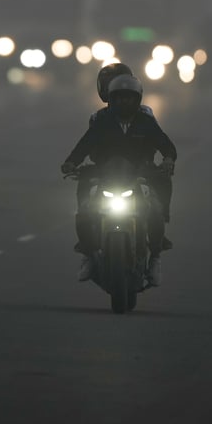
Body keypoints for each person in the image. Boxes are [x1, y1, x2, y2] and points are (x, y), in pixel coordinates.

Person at [61, 74, 177, 286]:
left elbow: (167, 146)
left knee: (154, 211)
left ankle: (155, 259)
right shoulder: (102, 122)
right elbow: (84, 146)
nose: (124, 102)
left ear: (137, 99)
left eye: (129, 98)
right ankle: (87, 253)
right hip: (105, 174)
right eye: (120, 98)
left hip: (140, 174)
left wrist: (168, 160)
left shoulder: (146, 122)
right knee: (85, 210)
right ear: (111, 99)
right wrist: (71, 162)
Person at [91, 62, 172, 223]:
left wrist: (167, 159)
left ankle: (163, 216)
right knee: (86, 194)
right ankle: (88, 232)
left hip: (140, 167)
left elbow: (158, 140)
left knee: (162, 184)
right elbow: (90, 145)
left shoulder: (145, 115)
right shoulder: (98, 117)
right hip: (108, 170)